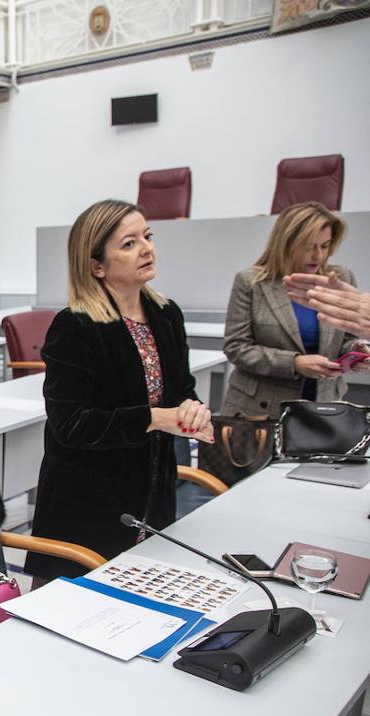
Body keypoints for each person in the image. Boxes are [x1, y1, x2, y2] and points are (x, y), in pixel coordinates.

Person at [25, 200, 213, 582]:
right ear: (97, 265)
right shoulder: (75, 326)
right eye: (128, 243)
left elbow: (182, 389)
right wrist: (155, 418)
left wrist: (192, 409)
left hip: (153, 496)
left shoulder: (166, 314)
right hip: (89, 504)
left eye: (147, 236)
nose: (146, 248)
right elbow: (72, 425)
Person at [222, 202, 366, 417]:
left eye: (325, 246)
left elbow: (345, 339)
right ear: (287, 243)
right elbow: (236, 347)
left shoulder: (340, 279)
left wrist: (356, 351)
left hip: (323, 404)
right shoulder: (251, 282)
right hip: (260, 410)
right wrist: (294, 363)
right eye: (309, 246)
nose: (318, 255)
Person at [286, 271, 370, 341]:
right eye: (308, 250)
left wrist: (354, 347)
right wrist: (295, 360)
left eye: (323, 249)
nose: (317, 256)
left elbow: (350, 338)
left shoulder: (345, 276)